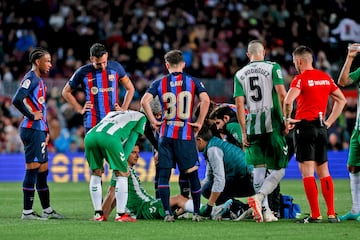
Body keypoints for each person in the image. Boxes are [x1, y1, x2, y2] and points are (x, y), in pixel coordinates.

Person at [140, 49, 210, 222]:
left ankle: (167, 214)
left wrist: (153, 121)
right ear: (183, 64)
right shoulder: (192, 81)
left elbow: (143, 102)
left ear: (166, 65)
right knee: (192, 174)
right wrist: (199, 121)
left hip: (165, 134)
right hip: (185, 135)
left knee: (164, 176)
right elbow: (206, 100)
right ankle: (195, 213)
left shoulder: (159, 83)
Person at [284, 45, 346, 223]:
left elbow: (288, 100)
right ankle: (332, 214)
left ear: (299, 61)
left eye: (295, 62)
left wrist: (287, 118)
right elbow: (341, 100)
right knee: (324, 172)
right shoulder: (325, 77)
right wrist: (329, 121)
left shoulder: (300, 79)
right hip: (321, 128)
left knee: (307, 173)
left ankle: (315, 215)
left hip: (304, 128)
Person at [233, 40, 288, 222]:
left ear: (248, 55)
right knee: (279, 169)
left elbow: (239, 104)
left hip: (252, 125)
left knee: (258, 168)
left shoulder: (239, 74)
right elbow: (282, 94)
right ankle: (260, 197)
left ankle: (265, 211)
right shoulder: (273, 67)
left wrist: (243, 131)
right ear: (263, 51)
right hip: (272, 123)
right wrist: (286, 120)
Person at [102, 143, 219, 220]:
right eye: (133, 152)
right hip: (143, 208)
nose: (137, 156)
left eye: (138, 152)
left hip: (147, 205)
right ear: (125, 154)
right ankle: (212, 211)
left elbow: (116, 196)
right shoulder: (122, 170)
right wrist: (102, 215)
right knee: (179, 199)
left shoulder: (127, 171)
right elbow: (111, 193)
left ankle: (211, 212)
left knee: (184, 204)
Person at [12, 47, 63, 220]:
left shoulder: (40, 80)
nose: (50, 64)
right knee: (33, 170)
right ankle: (27, 212)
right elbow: (16, 99)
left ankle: (47, 210)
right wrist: (30, 115)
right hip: (31, 129)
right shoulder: (31, 78)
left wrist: (46, 129)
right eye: (47, 61)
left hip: (39, 130)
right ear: (37, 62)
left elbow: (41, 108)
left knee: (43, 171)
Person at [84, 110, 146, 222]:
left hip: (90, 136)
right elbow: (132, 140)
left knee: (96, 173)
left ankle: (98, 215)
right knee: (122, 174)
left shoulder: (113, 112)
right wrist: (123, 164)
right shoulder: (141, 117)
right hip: (110, 139)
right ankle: (121, 215)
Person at [61, 42, 135, 133]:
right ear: (91, 59)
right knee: (93, 147)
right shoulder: (82, 72)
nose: (103, 67)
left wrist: (124, 108)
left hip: (113, 120)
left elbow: (130, 88)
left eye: (104, 62)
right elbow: (65, 92)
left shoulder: (116, 68)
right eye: (99, 64)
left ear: (107, 55)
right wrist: (79, 108)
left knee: (111, 147)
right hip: (92, 121)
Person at [195, 124, 254, 220]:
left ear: (199, 140)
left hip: (248, 180)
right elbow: (209, 178)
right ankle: (232, 210)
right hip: (249, 178)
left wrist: (209, 207)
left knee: (208, 189)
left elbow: (219, 180)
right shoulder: (213, 145)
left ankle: (241, 208)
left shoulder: (212, 149)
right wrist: (193, 196)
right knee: (207, 188)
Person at [337, 42, 360, 222]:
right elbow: (342, 82)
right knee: (353, 166)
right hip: (358, 129)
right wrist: (350, 57)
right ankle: (355, 209)